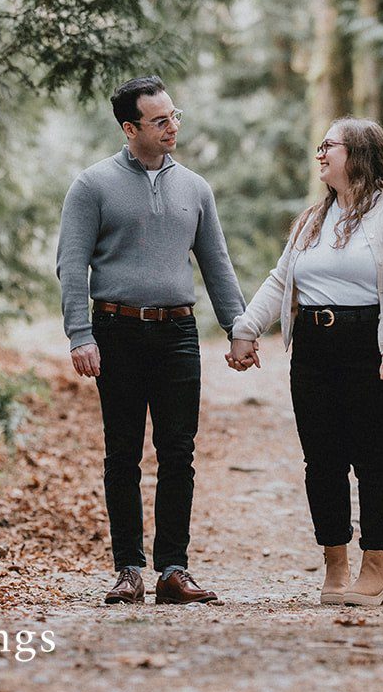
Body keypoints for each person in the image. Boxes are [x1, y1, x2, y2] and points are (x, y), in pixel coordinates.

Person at [225, 118, 383, 607]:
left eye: (329, 146)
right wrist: (245, 329)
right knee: (322, 461)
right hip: (315, 349)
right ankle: (335, 564)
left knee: (376, 458)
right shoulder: (312, 221)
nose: (319, 154)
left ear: (359, 153)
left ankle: (377, 568)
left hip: (374, 344)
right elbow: (282, 281)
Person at [56, 76, 247, 605]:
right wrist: (80, 334)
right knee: (121, 454)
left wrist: (238, 330)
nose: (173, 127)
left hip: (178, 332)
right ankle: (128, 569)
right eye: (160, 120)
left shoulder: (195, 187)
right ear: (130, 127)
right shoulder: (91, 186)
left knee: (178, 452)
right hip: (115, 330)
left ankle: (173, 570)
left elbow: (217, 264)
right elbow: (71, 266)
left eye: (174, 116)